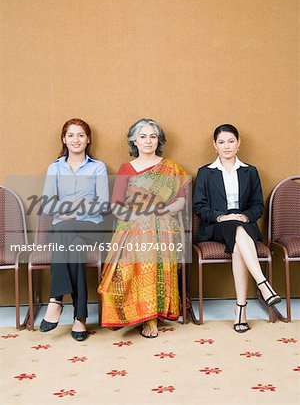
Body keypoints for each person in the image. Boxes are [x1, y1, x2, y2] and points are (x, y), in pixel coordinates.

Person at [98, 118, 190, 338]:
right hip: (132, 224)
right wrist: (136, 217)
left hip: (164, 222)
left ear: (158, 140)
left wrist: (160, 212)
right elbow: (116, 206)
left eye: (153, 136)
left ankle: (151, 318)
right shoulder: (126, 168)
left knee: (153, 236)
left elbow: (180, 202)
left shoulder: (171, 168)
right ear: (134, 141)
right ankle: (138, 312)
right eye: (143, 136)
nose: (148, 141)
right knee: (141, 239)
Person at [193, 124, 281, 333]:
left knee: (239, 237)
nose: (226, 146)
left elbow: (258, 204)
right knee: (236, 230)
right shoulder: (206, 172)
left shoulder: (250, 171)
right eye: (221, 142)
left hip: (244, 224)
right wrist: (221, 216)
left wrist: (245, 215)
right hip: (217, 226)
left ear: (238, 143)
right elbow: (199, 206)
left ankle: (241, 310)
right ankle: (262, 284)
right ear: (215, 145)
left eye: (231, 141)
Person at [39, 118, 109, 341]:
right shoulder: (55, 167)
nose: (76, 139)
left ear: (88, 139)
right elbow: (47, 204)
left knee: (65, 228)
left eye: (80, 135)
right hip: (65, 231)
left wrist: (69, 211)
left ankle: (56, 300)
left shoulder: (98, 167)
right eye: (71, 135)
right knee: (73, 242)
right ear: (64, 139)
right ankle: (80, 317)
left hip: (92, 228)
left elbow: (103, 204)